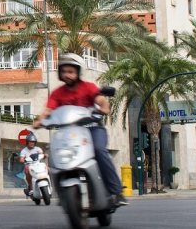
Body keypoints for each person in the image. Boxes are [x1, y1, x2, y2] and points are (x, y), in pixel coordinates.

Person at [34, 53, 128, 207]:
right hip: (69, 132)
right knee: (55, 154)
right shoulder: (57, 93)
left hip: (92, 128)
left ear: (78, 72)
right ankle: (63, 194)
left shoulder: (88, 87)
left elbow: (101, 100)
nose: (67, 75)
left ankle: (116, 191)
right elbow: (48, 109)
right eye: (64, 71)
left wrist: (104, 108)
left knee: (99, 150)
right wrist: (40, 121)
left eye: (71, 71)